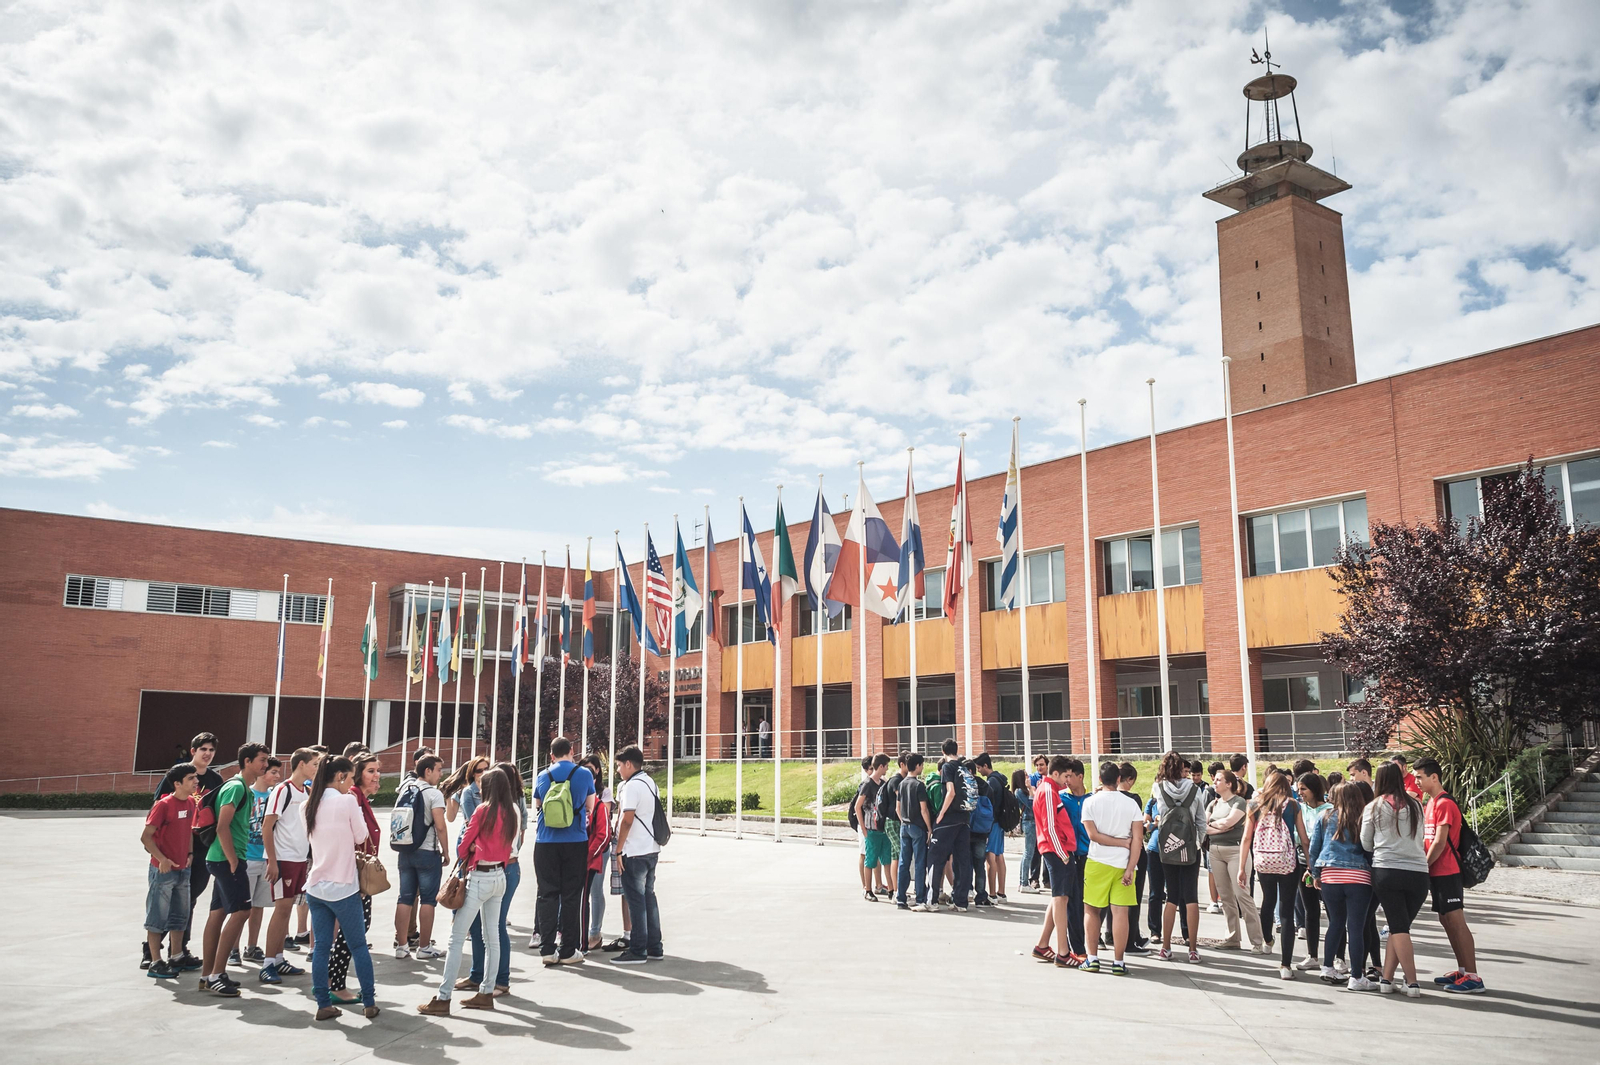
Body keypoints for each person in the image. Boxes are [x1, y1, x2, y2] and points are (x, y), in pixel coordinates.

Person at [420, 766, 519, 1015]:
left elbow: (463, 847)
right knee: (492, 938)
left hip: (480, 877)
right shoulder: (512, 812)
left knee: (456, 939)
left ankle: (443, 997)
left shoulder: (483, 810)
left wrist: (475, 847)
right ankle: (486, 992)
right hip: (500, 876)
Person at [303, 755, 379, 1021]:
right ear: (340, 777)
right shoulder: (347, 801)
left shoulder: (308, 805)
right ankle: (369, 1002)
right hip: (344, 885)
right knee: (358, 945)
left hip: (316, 886)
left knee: (322, 947)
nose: (350, 784)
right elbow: (361, 836)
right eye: (349, 778)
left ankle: (323, 1004)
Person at [199, 742, 270, 997]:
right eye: (262, 760)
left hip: (225, 858)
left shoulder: (245, 789)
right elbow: (222, 826)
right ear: (247, 761)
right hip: (226, 859)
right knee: (242, 911)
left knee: (218, 913)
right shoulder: (236, 787)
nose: (265, 764)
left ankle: (208, 975)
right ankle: (218, 974)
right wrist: (232, 860)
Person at [151, 731, 224, 971]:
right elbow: (160, 803)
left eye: (211, 750)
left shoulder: (215, 779)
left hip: (201, 849)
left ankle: (179, 950)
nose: (208, 754)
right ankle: (151, 952)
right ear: (193, 751)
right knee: (165, 900)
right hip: (174, 848)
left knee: (188, 900)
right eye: (203, 749)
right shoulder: (179, 774)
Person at [1416, 757, 1485, 994]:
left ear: (1434, 777)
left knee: (1457, 922)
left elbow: (1440, 841)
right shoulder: (1430, 803)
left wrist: (1423, 867)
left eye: (1420, 777)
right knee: (1446, 921)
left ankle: (1473, 977)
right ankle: (1463, 970)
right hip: (1437, 871)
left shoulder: (1444, 803)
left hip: (1448, 871)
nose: (1417, 781)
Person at [1363, 761, 1429, 996]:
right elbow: (1421, 836)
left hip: (1387, 870)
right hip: (1419, 873)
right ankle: (1387, 979)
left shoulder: (1374, 806)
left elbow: (1365, 842)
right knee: (1398, 926)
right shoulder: (1416, 805)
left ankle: (1412, 982)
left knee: (1399, 927)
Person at [464, 761, 528, 995]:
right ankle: (478, 975)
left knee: (496, 927)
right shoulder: (506, 807)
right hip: (502, 869)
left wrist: (473, 848)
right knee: (481, 926)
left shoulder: (503, 809)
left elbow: (479, 841)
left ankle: (501, 980)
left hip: (504, 868)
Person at [1239, 768, 1310, 980]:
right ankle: (1286, 965)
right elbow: (1303, 838)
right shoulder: (1293, 805)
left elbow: (1246, 839)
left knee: (1268, 900)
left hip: (1263, 861)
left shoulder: (1254, 805)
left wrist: (1242, 868)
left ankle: (1267, 940)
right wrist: (1310, 864)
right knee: (1287, 911)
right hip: (1287, 861)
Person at [533, 736, 598, 965]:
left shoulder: (543, 775)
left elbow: (539, 807)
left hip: (545, 842)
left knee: (547, 894)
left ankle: (547, 950)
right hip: (575, 841)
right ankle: (568, 950)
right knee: (572, 896)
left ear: (551, 755)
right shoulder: (584, 774)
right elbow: (591, 806)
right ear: (572, 751)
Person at [260, 747, 319, 984]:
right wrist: (272, 861)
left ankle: (279, 959)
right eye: (314, 764)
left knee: (287, 910)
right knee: (282, 909)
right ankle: (267, 964)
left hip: (299, 860)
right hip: (282, 859)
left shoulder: (306, 791)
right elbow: (267, 826)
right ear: (301, 764)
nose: (316, 768)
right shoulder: (282, 790)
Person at [1309, 781, 1376, 990]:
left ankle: (1327, 967)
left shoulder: (1325, 817)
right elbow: (1369, 848)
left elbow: (1314, 847)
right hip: (1358, 877)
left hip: (1330, 876)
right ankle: (1356, 976)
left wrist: (1315, 873)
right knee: (1355, 927)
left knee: (1335, 923)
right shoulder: (1363, 817)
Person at [327, 753, 382, 1004]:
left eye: (378, 771)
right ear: (357, 774)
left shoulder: (362, 799)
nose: (377, 776)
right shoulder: (352, 799)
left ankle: (333, 982)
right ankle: (334, 984)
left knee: (355, 929)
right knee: (353, 931)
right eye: (371, 771)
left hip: (359, 875)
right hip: (353, 875)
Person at [1080, 761, 1145, 975]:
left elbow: (1093, 836)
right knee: (1120, 913)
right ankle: (1118, 961)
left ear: (1100, 779)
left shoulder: (1090, 803)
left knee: (1091, 909)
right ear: (1119, 779)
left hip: (1097, 861)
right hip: (1123, 863)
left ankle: (1092, 958)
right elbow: (1137, 839)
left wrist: (1117, 843)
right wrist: (1130, 867)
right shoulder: (1131, 804)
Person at [141, 763, 199, 980]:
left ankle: (176, 956)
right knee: (157, 916)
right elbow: (146, 837)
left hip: (183, 870)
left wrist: (190, 854)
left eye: (196, 778)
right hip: (163, 871)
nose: (196, 782)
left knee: (180, 916)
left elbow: (189, 832)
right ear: (177, 783)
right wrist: (162, 859)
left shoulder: (192, 802)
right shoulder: (163, 805)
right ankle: (155, 962)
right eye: (191, 778)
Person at [393, 754, 450, 960]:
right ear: (427, 771)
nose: (440, 774)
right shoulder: (433, 794)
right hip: (427, 852)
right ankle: (424, 947)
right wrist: (446, 851)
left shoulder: (405, 789)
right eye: (438, 770)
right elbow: (440, 826)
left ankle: (401, 946)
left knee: (405, 897)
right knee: (428, 900)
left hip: (405, 850)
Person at [1203, 769, 1266, 953]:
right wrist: (1219, 827)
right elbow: (1204, 827)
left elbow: (1230, 822)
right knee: (1226, 897)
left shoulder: (1238, 801)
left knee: (1242, 895)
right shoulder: (1213, 804)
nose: (1215, 782)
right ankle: (1232, 938)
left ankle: (1257, 940)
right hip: (1215, 851)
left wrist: (1217, 826)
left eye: (1219, 780)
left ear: (1229, 784)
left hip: (1236, 851)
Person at [1152, 751, 1207, 963]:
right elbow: (1201, 821)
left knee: (1171, 896)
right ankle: (1192, 949)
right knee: (1191, 897)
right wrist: (1196, 843)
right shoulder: (1194, 789)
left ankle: (1165, 947)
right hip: (1190, 848)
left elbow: (1161, 814)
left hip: (1168, 848)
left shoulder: (1159, 788)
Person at [611, 745, 664, 964]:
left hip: (634, 852)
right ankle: (655, 946)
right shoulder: (650, 783)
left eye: (619, 765)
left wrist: (619, 849)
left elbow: (627, 819)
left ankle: (638, 949)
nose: (618, 770)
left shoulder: (631, 786)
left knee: (636, 900)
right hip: (651, 848)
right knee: (649, 898)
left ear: (629, 764)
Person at [1029, 756, 1080, 969]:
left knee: (1058, 897)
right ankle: (1063, 951)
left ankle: (1043, 945)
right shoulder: (1049, 792)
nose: (1068, 780)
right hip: (1057, 851)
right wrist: (1063, 853)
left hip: (1056, 850)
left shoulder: (1048, 790)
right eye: (1066, 775)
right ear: (1056, 773)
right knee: (1061, 899)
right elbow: (1050, 827)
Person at [240, 756, 281, 964]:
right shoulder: (246, 794)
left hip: (266, 859)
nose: (277, 776)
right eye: (273, 772)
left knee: (258, 907)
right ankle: (232, 948)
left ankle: (252, 946)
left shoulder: (276, 795)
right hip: (246, 858)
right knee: (241, 908)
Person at [926, 738, 972, 912]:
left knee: (936, 858)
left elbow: (950, 792)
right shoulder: (964, 766)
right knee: (962, 860)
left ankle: (933, 900)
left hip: (949, 819)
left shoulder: (947, 767)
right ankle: (961, 902)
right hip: (965, 818)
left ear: (943, 752)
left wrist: (941, 814)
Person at [1293, 773, 1330, 973]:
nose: (1300, 793)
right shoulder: (1299, 808)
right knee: (1310, 909)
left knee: (1332, 911)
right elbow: (1297, 834)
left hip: (1325, 865)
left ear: (1315, 789)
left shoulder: (1330, 810)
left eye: (1304, 789)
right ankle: (1312, 955)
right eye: (1299, 789)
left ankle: (1338, 957)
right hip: (1302, 862)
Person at [1056, 758, 1092, 958]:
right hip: (1068, 856)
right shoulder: (1062, 798)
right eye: (1065, 776)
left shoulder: (1092, 798)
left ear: (1081, 776)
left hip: (1089, 855)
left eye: (1070, 776)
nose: (1067, 780)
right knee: (1072, 902)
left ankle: (1093, 937)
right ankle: (1076, 947)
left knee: (1091, 902)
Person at [580, 754, 612, 950]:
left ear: (597, 772)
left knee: (595, 890)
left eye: (590, 769)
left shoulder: (603, 794)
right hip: (580, 849)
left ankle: (594, 932)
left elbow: (603, 826)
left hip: (599, 850)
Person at [896, 753, 932, 910]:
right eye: (922, 765)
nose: (922, 767)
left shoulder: (902, 783)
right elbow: (924, 809)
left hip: (904, 825)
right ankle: (920, 898)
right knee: (919, 862)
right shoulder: (919, 785)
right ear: (917, 766)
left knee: (903, 862)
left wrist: (903, 819)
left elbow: (897, 808)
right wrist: (929, 828)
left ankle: (901, 898)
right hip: (918, 826)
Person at [856, 755, 891, 901]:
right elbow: (858, 807)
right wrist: (864, 829)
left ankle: (891, 889)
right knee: (870, 860)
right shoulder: (867, 784)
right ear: (881, 766)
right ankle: (868, 889)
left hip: (883, 828)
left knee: (887, 859)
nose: (888, 768)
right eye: (886, 765)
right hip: (871, 828)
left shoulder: (883, 783)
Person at [974, 753, 1008, 902]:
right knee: (999, 856)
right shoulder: (1000, 779)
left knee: (990, 857)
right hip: (1001, 822)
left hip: (992, 823)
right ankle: (1002, 892)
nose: (979, 771)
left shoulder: (991, 783)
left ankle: (993, 893)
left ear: (986, 766)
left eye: (979, 768)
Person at [881, 754, 905, 903]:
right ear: (902, 764)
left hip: (896, 822)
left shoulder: (900, 780)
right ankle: (896, 891)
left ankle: (896, 890)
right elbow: (900, 803)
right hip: (893, 822)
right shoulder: (896, 780)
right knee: (900, 854)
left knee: (896, 855)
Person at [442, 755, 490, 826]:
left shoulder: (494, 789)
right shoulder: (465, 791)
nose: (484, 773)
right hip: (471, 833)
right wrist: (447, 796)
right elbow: (451, 818)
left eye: (486, 769)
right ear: (472, 773)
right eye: (479, 771)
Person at [1014, 769, 1038, 894]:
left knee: (1030, 852)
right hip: (1029, 821)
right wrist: (1030, 789)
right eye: (1025, 776)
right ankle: (1023, 882)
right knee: (1028, 852)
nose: (1028, 777)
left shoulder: (1024, 791)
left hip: (1032, 822)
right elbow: (1032, 805)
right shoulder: (1019, 792)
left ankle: (1023, 882)